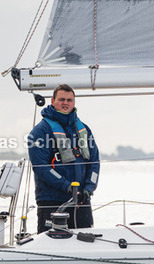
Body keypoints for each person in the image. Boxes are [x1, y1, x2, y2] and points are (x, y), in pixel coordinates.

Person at [28, 84, 100, 233]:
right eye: (61, 100)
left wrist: (88, 188)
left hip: (82, 200)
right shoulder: (40, 131)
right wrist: (66, 186)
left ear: (74, 103)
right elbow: (41, 167)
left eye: (69, 100)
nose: (65, 103)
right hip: (52, 200)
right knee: (51, 243)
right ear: (52, 101)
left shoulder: (84, 130)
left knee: (86, 240)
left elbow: (94, 163)